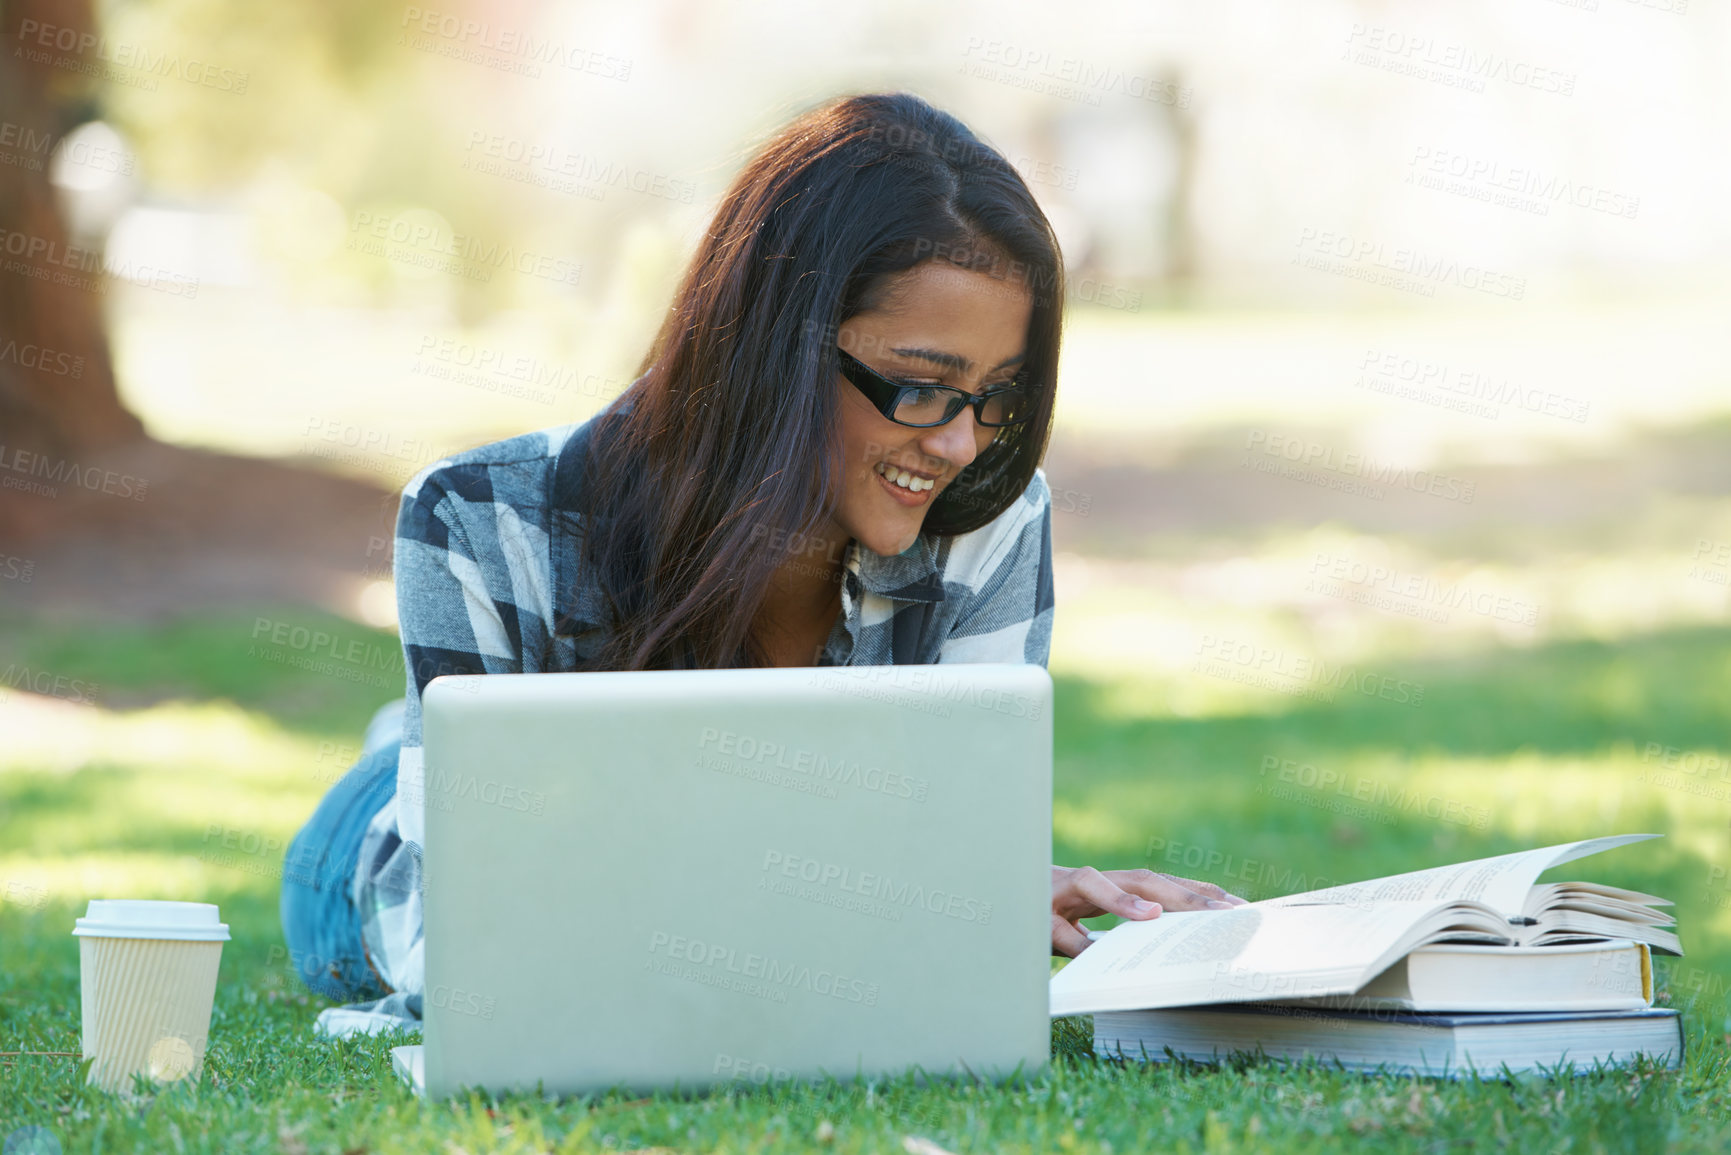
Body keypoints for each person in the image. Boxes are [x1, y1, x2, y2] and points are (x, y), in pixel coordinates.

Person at [278, 90, 1244, 1036]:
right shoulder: (480, 518)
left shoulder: (990, 518)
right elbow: (465, 941)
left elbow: (937, 868)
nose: (958, 445)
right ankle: (386, 750)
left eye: (995, 395)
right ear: (777, 349)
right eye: (921, 387)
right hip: (371, 857)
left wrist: (990, 890)